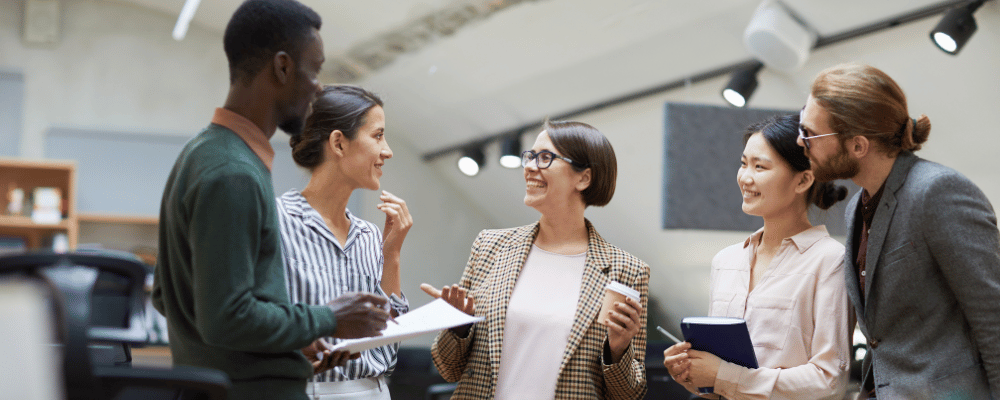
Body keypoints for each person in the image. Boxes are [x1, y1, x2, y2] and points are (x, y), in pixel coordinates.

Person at [151, 2, 390, 399]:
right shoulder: (234, 172)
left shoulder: (204, 153)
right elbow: (227, 317)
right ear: (282, 67)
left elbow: (166, 295)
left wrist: (294, 338)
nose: (318, 88)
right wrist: (327, 318)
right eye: (314, 70)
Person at [797, 63, 1000, 399]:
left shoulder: (937, 192)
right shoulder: (855, 209)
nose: (800, 142)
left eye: (810, 134)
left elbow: (993, 316)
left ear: (858, 146)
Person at [421, 120, 649, 400]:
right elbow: (448, 369)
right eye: (529, 156)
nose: (529, 166)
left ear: (583, 178)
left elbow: (631, 394)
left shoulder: (627, 271)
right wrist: (458, 326)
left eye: (545, 158)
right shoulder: (490, 247)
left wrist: (618, 350)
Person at [664, 114, 851, 400]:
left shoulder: (830, 260)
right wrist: (692, 373)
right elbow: (717, 386)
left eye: (759, 166)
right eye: (743, 164)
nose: (745, 177)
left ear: (803, 180)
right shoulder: (725, 261)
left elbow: (829, 380)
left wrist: (723, 375)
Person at [277, 84, 413, 400]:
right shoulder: (275, 221)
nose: (387, 151)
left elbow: (386, 353)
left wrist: (391, 254)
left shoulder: (368, 236)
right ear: (339, 143)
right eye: (378, 136)